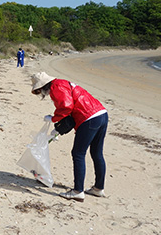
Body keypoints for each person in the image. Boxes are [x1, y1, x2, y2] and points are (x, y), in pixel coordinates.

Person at [31, 72, 108, 202]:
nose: (43, 95)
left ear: (43, 86)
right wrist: (58, 129)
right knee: (96, 153)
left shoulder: (56, 87)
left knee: (78, 153)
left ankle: (78, 191)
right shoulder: (62, 83)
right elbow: (71, 109)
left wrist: (53, 118)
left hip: (88, 118)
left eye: (40, 91)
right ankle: (98, 188)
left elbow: (66, 107)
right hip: (101, 114)